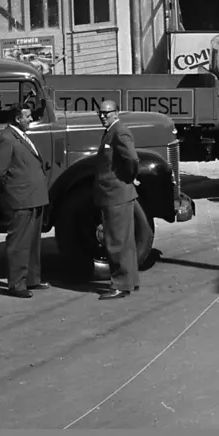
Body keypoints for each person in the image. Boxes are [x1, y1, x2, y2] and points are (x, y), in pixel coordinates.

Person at [0, 102, 50, 298]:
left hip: (34, 198)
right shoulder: (7, 138)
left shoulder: (21, 136)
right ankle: (17, 284)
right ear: (18, 118)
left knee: (33, 243)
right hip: (20, 199)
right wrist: (13, 191)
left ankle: (32, 279)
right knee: (19, 244)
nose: (31, 119)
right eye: (28, 116)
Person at [93, 98, 141, 300]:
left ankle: (121, 285)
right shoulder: (111, 131)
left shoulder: (119, 131)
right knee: (124, 241)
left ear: (116, 112)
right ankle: (130, 281)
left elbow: (132, 159)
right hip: (116, 193)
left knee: (116, 241)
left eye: (107, 112)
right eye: (101, 113)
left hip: (116, 194)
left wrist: (128, 178)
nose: (103, 116)